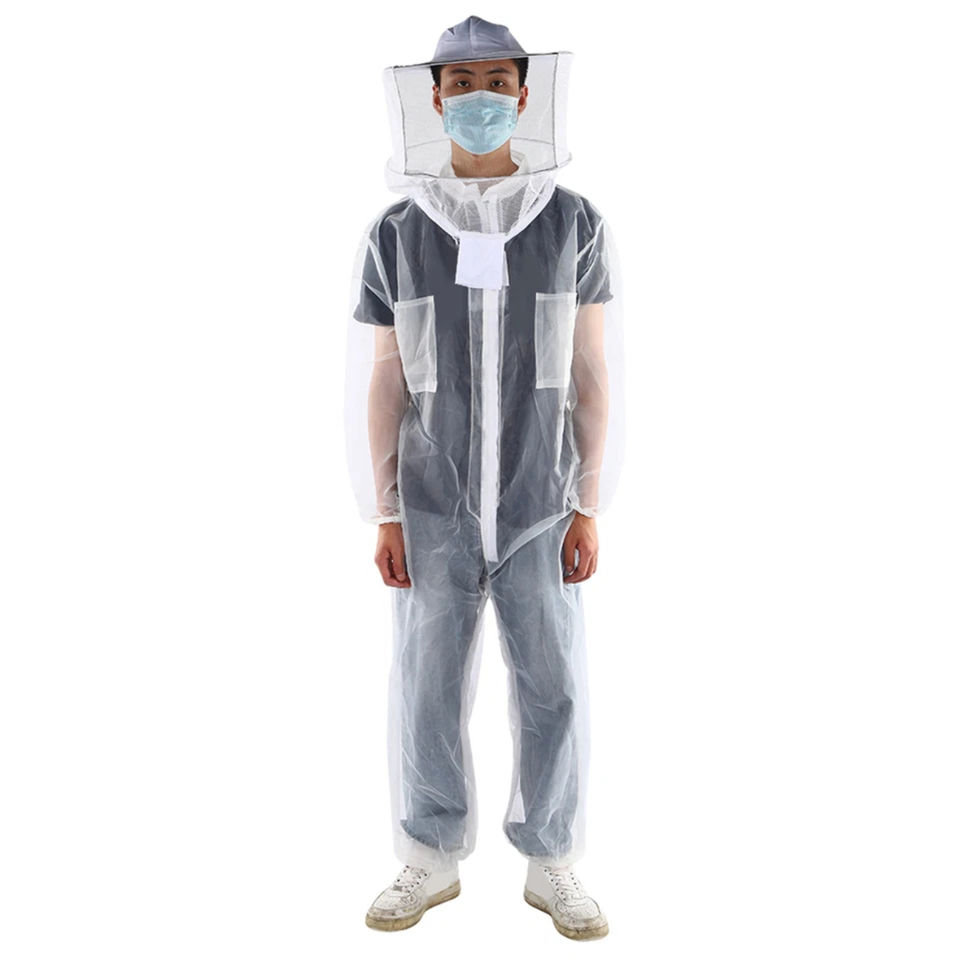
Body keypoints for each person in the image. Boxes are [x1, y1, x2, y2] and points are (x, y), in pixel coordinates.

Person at [344, 15, 625, 941]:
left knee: (554, 685)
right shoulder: (398, 234)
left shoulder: (572, 223)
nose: (479, 99)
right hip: (433, 509)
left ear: (524, 94)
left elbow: (589, 370)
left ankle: (553, 861)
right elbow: (387, 379)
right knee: (426, 684)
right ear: (433, 99)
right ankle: (428, 856)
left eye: (496, 83)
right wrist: (386, 510)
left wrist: (587, 501)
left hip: (541, 504)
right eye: (460, 85)